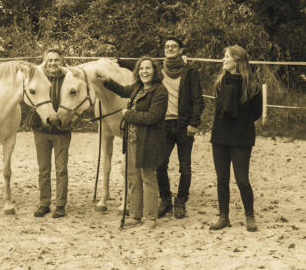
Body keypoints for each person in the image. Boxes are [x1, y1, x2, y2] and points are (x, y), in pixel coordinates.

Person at [97, 56, 168, 229]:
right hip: (132, 139)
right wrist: (107, 81)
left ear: (154, 71)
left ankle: (150, 218)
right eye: (141, 69)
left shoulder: (159, 91)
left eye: (148, 68)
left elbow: (153, 117)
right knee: (133, 178)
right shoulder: (137, 88)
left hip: (149, 140)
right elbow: (122, 90)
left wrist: (128, 114)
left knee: (148, 178)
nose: (144, 71)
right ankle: (135, 216)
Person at [209, 45, 262, 232]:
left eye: (226, 57)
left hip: (241, 139)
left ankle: (249, 216)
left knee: (242, 179)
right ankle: (223, 216)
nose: (223, 60)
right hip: (220, 137)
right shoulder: (220, 83)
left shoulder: (252, 86)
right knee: (222, 178)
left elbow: (257, 113)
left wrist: (240, 124)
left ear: (237, 61)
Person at [156, 37, 205, 219]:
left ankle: (181, 202)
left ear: (180, 50)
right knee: (160, 164)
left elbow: (198, 100)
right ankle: (166, 200)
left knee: (185, 167)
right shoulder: (158, 71)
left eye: (173, 46)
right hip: (163, 125)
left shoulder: (189, 71)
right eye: (167, 46)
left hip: (184, 126)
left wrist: (194, 123)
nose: (169, 48)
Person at [32, 48, 71, 219]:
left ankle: (61, 205)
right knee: (43, 169)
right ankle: (44, 203)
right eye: (50, 60)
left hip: (61, 130)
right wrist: (41, 66)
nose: (53, 63)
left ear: (62, 61)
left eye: (56, 60)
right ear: (45, 62)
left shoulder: (69, 78)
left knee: (61, 169)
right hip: (41, 130)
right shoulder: (38, 77)